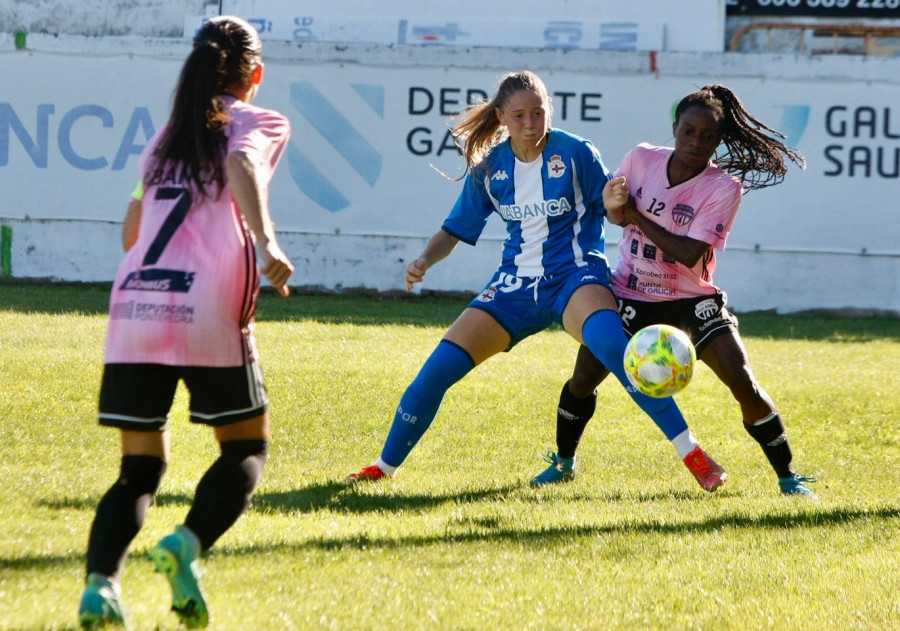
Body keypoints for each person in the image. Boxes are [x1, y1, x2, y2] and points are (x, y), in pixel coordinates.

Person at [346, 71, 726, 492]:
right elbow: (454, 230)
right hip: (514, 285)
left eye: (538, 112)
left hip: (576, 276)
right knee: (434, 373)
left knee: (617, 349)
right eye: (520, 115)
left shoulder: (576, 151)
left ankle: (693, 454)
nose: (531, 123)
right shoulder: (490, 167)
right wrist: (423, 259)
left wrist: (617, 206)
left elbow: (613, 209)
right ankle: (383, 467)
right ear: (502, 118)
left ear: (549, 110)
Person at [78, 15, 294, 629]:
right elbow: (243, 167)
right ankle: (187, 544)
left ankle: (100, 587)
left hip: (135, 311)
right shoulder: (259, 120)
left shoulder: (165, 136)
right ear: (254, 74)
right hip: (206, 309)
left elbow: (129, 233)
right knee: (246, 447)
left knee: (139, 470)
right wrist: (267, 243)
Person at [531, 84, 817, 498]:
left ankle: (790, 479)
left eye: (706, 136)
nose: (695, 142)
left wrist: (632, 215)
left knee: (743, 382)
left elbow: (686, 253)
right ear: (675, 128)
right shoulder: (641, 158)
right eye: (688, 131)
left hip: (691, 300)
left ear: (719, 141)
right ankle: (563, 463)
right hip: (629, 292)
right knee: (583, 378)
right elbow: (614, 215)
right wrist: (616, 209)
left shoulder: (724, 188)